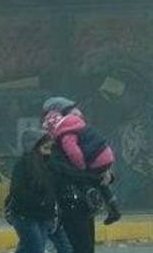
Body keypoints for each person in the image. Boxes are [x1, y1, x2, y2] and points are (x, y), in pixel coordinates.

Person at [41, 96, 122, 224]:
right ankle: (112, 207)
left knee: (92, 183)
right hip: (102, 158)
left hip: (74, 205)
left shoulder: (64, 135)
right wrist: (103, 174)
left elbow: (73, 157)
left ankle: (98, 203)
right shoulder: (78, 125)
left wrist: (82, 168)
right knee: (102, 182)